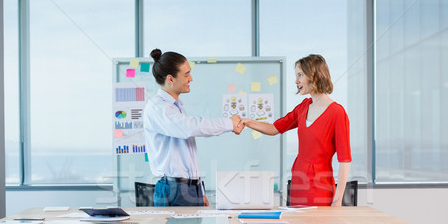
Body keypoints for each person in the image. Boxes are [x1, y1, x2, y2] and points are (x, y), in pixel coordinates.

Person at [240, 54, 351, 206]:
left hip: (320, 187)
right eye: (296, 75)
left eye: (300, 75)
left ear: (315, 76)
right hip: (298, 182)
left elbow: (344, 160)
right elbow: (274, 128)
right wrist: (248, 122)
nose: (296, 81)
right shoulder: (303, 107)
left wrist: (337, 200)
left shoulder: (337, 113)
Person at [143, 49, 244, 206]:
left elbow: (188, 156)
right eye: (186, 74)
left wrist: (199, 190)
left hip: (189, 189)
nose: (191, 78)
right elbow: (189, 127)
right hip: (174, 190)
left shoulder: (176, 107)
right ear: (170, 79)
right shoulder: (158, 107)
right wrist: (229, 123)